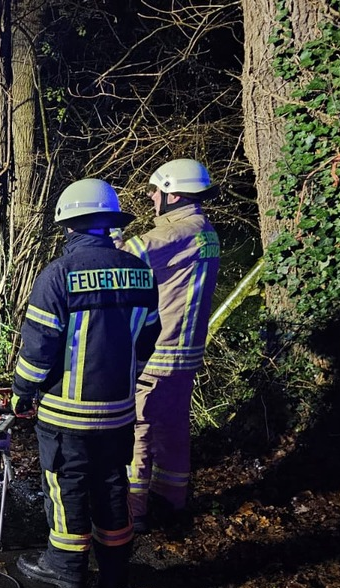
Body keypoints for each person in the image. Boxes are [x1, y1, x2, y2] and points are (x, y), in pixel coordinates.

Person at [12, 178, 160, 588]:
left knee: (66, 482)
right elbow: (147, 340)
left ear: (69, 226)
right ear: (109, 223)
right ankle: (115, 565)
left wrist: (22, 391)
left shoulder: (58, 275)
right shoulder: (139, 272)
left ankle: (64, 564)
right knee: (112, 480)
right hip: (118, 410)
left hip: (66, 414)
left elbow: (39, 350)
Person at [118, 159, 220, 532]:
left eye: (155, 190)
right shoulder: (206, 230)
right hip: (188, 351)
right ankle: (170, 499)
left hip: (161, 350)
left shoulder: (177, 233)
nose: (150, 196)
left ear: (172, 192)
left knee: (139, 428)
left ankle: (133, 510)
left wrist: (106, 237)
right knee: (174, 426)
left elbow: (126, 256)